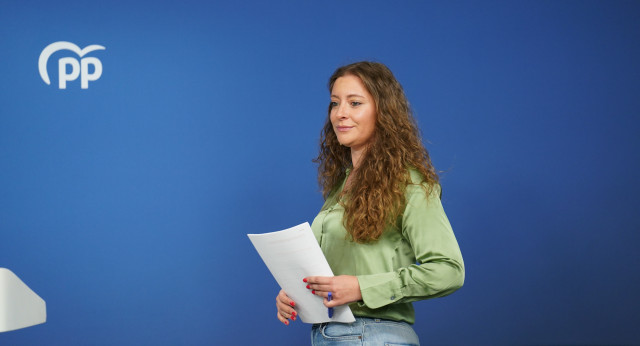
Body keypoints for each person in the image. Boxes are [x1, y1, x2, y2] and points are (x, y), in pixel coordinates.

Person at [275, 61, 464, 345]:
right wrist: (296, 293)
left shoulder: (409, 184)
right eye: (335, 103)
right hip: (330, 335)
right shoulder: (341, 187)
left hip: (374, 335)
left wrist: (362, 287)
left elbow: (449, 270)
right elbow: (335, 278)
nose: (340, 114)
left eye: (355, 103)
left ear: (383, 112)